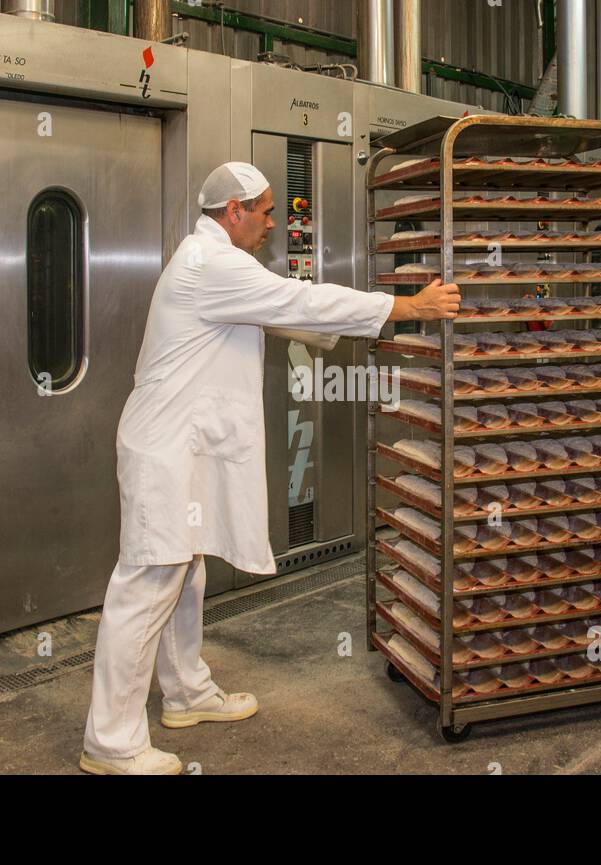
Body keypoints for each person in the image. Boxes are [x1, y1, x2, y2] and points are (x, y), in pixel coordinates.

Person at [81, 162, 460, 774]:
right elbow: (295, 297)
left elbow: (280, 313)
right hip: (166, 450)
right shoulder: (212, 265)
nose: (272, 223)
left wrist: (341, 329)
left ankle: (186, 694)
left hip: (183, 447)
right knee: (149, 581)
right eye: (264, 211)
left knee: (186, 570)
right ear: (232, 211)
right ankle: (110, 740)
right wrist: (404, 305)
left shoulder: (219, 268)